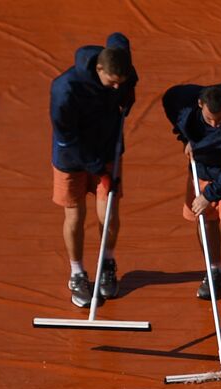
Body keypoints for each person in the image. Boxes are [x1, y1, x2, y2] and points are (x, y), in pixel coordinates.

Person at [49, 33, 138, 308]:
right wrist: (99, 170)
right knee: (75, 216)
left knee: (108, 214)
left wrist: (128, 97)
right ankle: (77, 273)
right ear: (99, 69)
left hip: (108, 149)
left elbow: (119, 39)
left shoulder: (121, 68)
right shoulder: (65, 90)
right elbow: (67, 138)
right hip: (72, 156)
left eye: (119, 84)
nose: (115, 88)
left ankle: (107, 262)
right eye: (112, 82)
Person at [162, 82, 221, 317]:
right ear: (200, 105)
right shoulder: (184, 102)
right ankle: (214, 271)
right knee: (204, 222)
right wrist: (183, 137)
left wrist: (209, 195)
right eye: (209, 119)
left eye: (220, 119)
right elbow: (168, 100)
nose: (215, 124)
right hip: (202, 169)